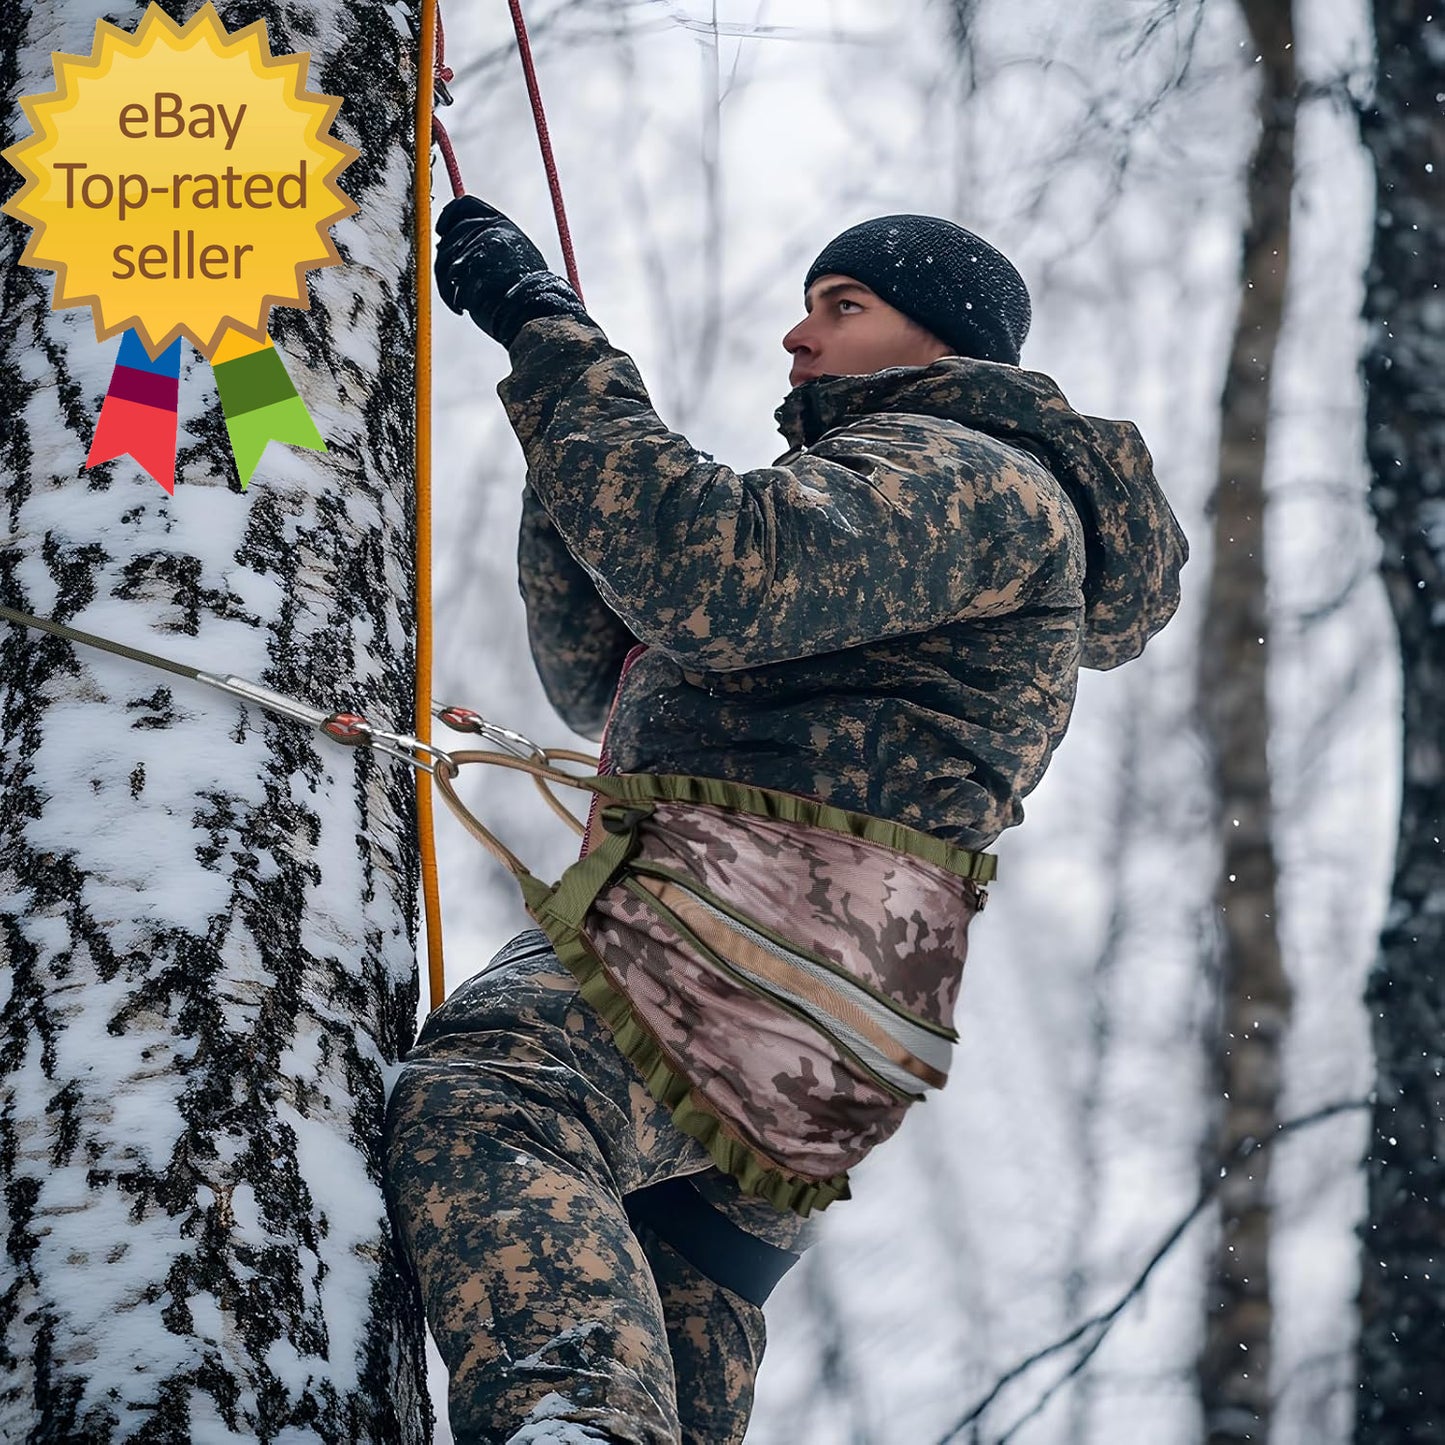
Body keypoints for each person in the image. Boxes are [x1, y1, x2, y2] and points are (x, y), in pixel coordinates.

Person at [384, 201, 1188, 1445]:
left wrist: (552, 337)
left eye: (840, 305)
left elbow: (703, 577)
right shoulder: (918, 497)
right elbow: (607, 667)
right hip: (827, 973)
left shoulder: (971, 471)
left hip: (757, 915)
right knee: (661, 1294)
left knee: (496, 1095)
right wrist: (579, 449)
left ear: (943, 349)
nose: (795, 336)